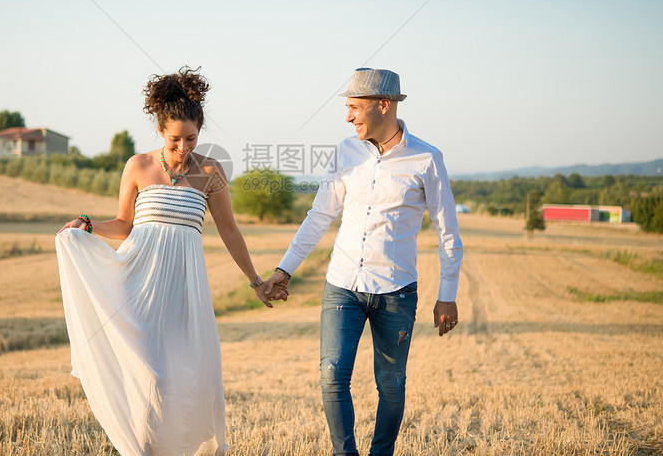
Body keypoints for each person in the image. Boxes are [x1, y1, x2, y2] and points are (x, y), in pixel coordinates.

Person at [55, 67, 286, 456]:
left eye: (191, 138)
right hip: (139, 285)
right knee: (149, 380)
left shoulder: (211, 172)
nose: (183, 147)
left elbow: (230, 232)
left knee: (190, 378)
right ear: (161, 131)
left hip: (185, 291)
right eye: (175, 138)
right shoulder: (138, 166)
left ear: (200, 131)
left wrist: (255, 280)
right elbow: (126, 225)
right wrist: (88, 224)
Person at [265, 67, 464, 456]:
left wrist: (448, 295)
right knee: (331, 374)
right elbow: (319, 216)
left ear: (383, 105)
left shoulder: (427, 158)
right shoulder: (346, 151)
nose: (348, 116)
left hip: (396, 292)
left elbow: (448, 233)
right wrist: (283, 270)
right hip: (343, 285)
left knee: (390, 383)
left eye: (355, 107)